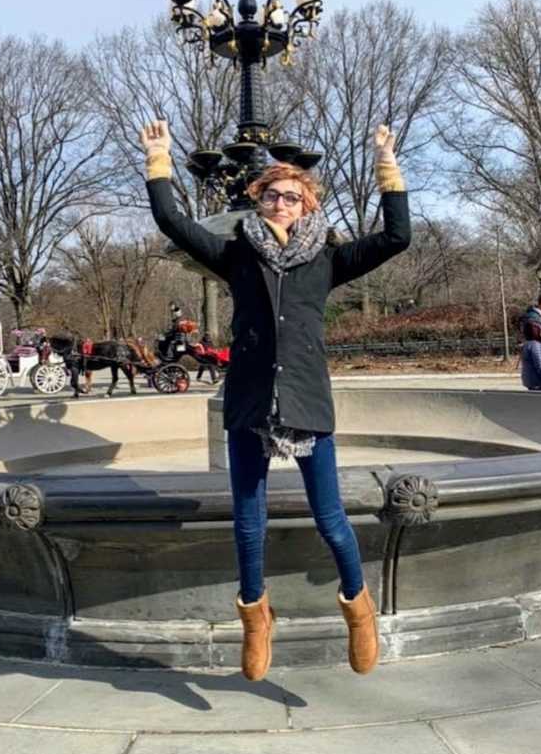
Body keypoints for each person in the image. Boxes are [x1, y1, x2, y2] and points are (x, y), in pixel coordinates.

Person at [140, 119, 410, 680]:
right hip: (250, 400)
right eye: (270, 195)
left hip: (306, 400)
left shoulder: (327, 259)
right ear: (257, 202)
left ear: (307, 204)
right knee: (247, 521)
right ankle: (256, 619)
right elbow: (172, 220)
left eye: (292, 196)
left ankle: (359, 612)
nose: (281, 203)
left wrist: (387, 164)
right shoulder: (238, 255)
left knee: (331, 520)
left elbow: (397, 238)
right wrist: (159, 159)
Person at [520, 319, 541, 391]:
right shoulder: (535, 345)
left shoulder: (527, 344)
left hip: (531, 380)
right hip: (538, 382)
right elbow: (539, 365)